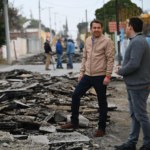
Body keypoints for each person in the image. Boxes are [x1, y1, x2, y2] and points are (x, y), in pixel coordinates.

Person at [61, 19, 114, 137]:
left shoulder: (107, 41)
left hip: (100, 76)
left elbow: (110, 59)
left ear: (102, 29)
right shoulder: (88, 40)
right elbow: (84, 57)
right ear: (91, 29)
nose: (96, 30)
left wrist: (108, 75)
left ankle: (101, 128)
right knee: (75, 95)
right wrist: (81, 72)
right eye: (94, 28)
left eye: (98, 28)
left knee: (102, 102)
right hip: (87, 75)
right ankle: (74, 122)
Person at [115, 17, 150, 150]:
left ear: (131, 27)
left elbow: (134, 64)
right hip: (134, 85)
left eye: (126, 25)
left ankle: (148, 144)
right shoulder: (137, 41)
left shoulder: (138, 42)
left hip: (139, 86)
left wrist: (121, 71)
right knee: (135, 115)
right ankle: (131, 143)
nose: (125, 27)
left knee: (141, 115)